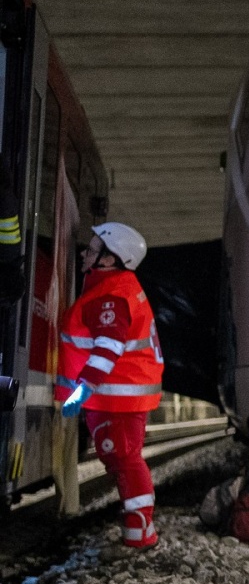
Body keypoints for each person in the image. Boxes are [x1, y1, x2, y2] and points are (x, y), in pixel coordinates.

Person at [57, 222, 164, 550]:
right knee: (123, 458)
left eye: (91, 250)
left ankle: (140, 533)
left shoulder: (111, 295)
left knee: (124, 458)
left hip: (117, 398)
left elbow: (108, 347)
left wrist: (83, 389)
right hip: (117, 397)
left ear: (108, 259)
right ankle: (139, 529)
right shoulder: (113, 287)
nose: (85, 254)